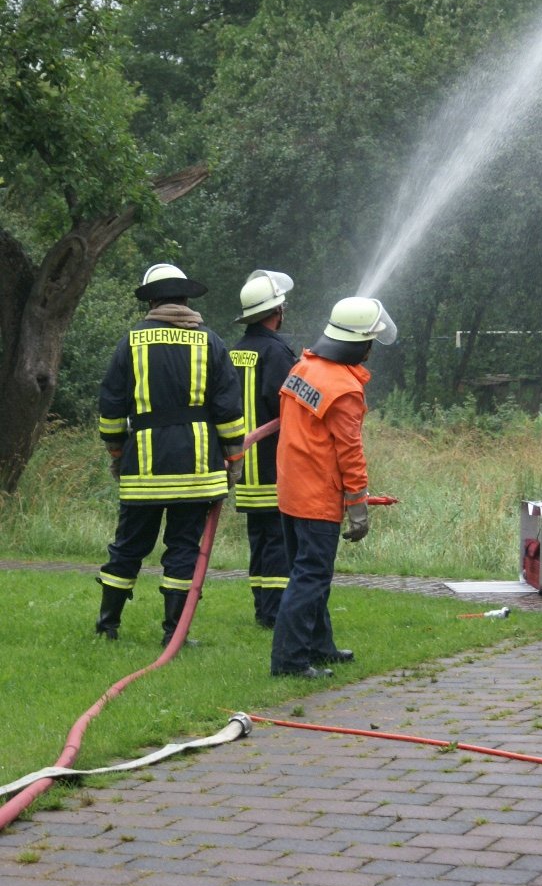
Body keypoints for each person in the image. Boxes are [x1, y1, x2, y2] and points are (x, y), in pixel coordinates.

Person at [96, 263, 245, 644]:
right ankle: (174, 633)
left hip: (143, 467)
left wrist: (116, 451)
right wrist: (234, 456)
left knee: (129, 545)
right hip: (197, 469)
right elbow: (228, 407)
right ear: (184, 298)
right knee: (183, 549)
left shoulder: (130, 341)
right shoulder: (210, 341)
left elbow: (111, 405)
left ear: (152, 300)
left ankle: (107, 626)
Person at [270, 295, 397, 679]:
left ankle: (319, 646)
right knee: (310, 578)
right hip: (317, 498)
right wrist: (358, 505)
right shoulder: (344, 389)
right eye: (371, 340)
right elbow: (350, 453)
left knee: (309, 574)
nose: (373, 347)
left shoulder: (304, 368)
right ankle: (290, 662)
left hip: (291, 490)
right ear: (358, 342)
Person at [230, 269, 296, 629]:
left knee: (260, 539)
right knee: (277, 542)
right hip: (274, 464)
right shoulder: (277, 353)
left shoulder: (235, 352)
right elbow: (289, 406)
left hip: (243, 467)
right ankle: (273, 614)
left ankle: (262, 607)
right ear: (276, 312)